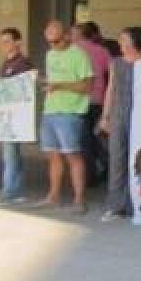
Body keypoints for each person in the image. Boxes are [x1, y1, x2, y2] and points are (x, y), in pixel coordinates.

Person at [33, 21, 93, 214]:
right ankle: (53, 196)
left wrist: (58, 86)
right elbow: (54, 81)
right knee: (53, 155)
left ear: (67, 36)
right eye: (49, 40)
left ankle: (79, 200)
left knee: (73, 155)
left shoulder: (79, 55)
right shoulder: (50, 55)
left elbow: (87, 86)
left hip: (70, 112)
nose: (53, 44)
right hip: (50, 110)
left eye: (56, 39)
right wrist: (43, 81)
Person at [99, 27, 141, 222]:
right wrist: (105, 115)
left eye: (123, 39)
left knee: (139, 160)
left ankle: (138, 203)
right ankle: (116, 205)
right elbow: (110, 89)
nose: (120, 43)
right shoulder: (116, 63)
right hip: (119, 114)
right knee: (117, 158)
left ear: (134, 42)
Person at [0, 28, 35, 205]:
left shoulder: (23, 63)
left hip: (17, 115)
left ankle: (9, 190)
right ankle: (15, 188)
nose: (4, 45)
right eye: (2, 41)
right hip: (6, 114)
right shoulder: (4, 64)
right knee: (11, 154)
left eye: (8, 41)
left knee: (10, 154)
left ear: (18, 42)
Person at [71, 22, 112, 188]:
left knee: (84, 141)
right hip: (98, 99)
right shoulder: (102, 51)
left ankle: (89, 177)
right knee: (99, 139)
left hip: (78, 100)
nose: (71, 35)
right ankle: (109, 170)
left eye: (73, 33)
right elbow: (111, 71)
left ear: (80, 34)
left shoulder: (72, 50)